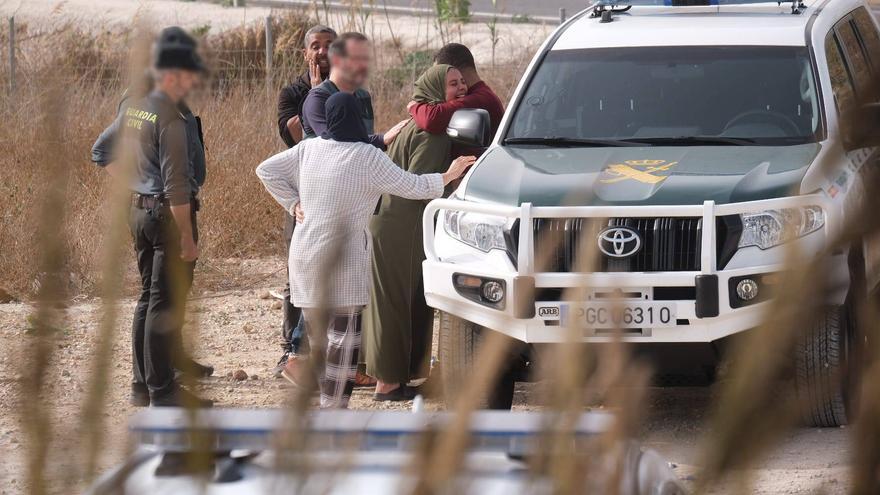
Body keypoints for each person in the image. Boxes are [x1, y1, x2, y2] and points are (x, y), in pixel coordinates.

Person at [255, 92, 474, 408]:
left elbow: (266, 170)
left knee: (320, 344)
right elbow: (412, 186)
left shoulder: (309, 148)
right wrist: (449, 174)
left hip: (305, 258)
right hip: (342, 262)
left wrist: (293, 202)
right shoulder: (366, 157)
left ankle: (323, 416)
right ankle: (334, 415)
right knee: (342, 345)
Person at [90, 27, 212, 408]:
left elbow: (102, 151)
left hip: (141, 210)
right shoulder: (169, 113)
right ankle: (164, 392)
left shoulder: (135, 103)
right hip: (167, 215)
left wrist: (138, 184)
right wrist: (187, 237)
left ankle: (143, 385)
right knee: (165, 303)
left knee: (150, 298)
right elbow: (177, 184)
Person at [280, 31, 408, 387]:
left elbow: (355, 137)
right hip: (315, 199)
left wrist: (376, 143)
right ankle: (298, 357)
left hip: (350, 198)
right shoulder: (311, 97)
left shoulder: (358, 96)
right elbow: (335, 139)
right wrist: (379, 141)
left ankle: (342, 366)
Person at [365, 64, 476, 401]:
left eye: (461, 82)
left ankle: (392, 378)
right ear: (434, 89)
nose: (459, 88)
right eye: (452, 84)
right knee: (396, 303)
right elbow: (418, 183)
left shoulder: (417, 123)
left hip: (393, 220)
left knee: (393, 301)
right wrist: (449, 175)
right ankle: (387, 384)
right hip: (405, 223)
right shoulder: (433, 133)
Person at [272, 25, 337, 378]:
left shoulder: (352, 89)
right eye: (316, 46)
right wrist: (316, 95)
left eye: (329, 46)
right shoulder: (292, 92)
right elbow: (297, 136)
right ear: (305, 53)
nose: (323, 52)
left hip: (339, 194)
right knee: (296, 274)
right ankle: (291, 353)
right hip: (303, 196)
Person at [407, 43, 505, 143]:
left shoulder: (480, 99)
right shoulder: (481, 94)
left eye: (440, 75)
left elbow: (431, 119)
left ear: (453, 71)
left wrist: (414, 107)